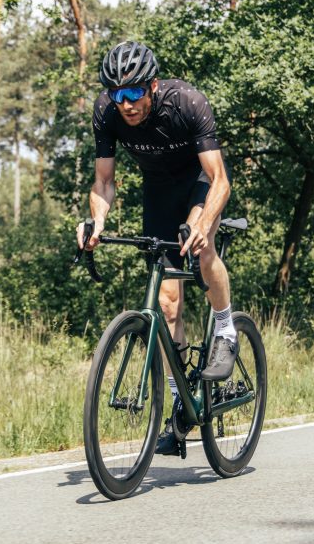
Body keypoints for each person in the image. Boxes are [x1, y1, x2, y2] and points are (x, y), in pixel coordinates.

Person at [75, 40, 237, 456]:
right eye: (117, 94)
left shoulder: (187, 102)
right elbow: (104, 182)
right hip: (159, 192)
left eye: (133, 92)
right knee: (166, 304)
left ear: (153, 85)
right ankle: (180, 404)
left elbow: (220, 180)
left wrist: (202, 224)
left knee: (201, 248)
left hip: (200, 184)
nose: (126, 104)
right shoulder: (106, 112)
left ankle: (225, 329)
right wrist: (97, 222)